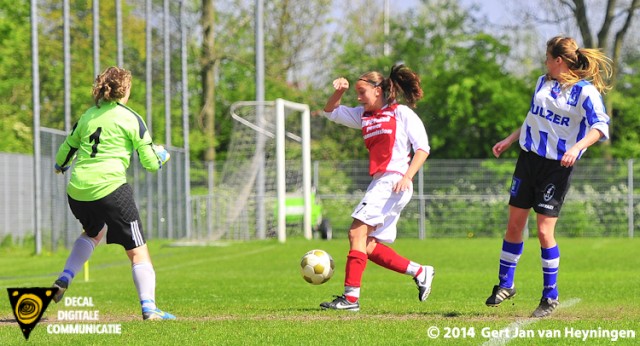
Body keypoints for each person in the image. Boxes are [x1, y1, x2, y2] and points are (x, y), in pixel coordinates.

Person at [486, 36, 612, 318]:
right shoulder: (542, 83)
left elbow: (600, 126)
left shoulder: (585, 92)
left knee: (544, 232)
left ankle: (550, 296)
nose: (544, 62)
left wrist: (578, 147)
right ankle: (506, 284)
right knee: (514, 225)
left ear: (558, 60)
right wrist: (509, 139)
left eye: (547, 57)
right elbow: (534, 117)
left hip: (556, 167)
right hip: (528, 160)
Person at [52, 66, 176, 320]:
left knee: (93, 232)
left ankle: (65, 276)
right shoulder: (131, 118)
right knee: (138, 250)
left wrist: (60, 166)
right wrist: (162, 156)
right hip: (110, 189)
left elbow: (67, 148)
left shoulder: (88, 115)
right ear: (126, 89)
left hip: (78, 190)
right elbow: (151, 163)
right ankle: (149, 309)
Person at [319, 64, 435, 311]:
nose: (358, 98)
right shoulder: (363, 115)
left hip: (393, 181)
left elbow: (422, 148)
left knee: (355, 233)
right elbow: (329, 111)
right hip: (381, 181)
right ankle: (420, 271)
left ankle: (350, 299)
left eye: (362, 92)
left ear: (378, 91)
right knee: (367, 243)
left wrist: (407, 176)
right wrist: (339, 91)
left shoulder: (400, 112)